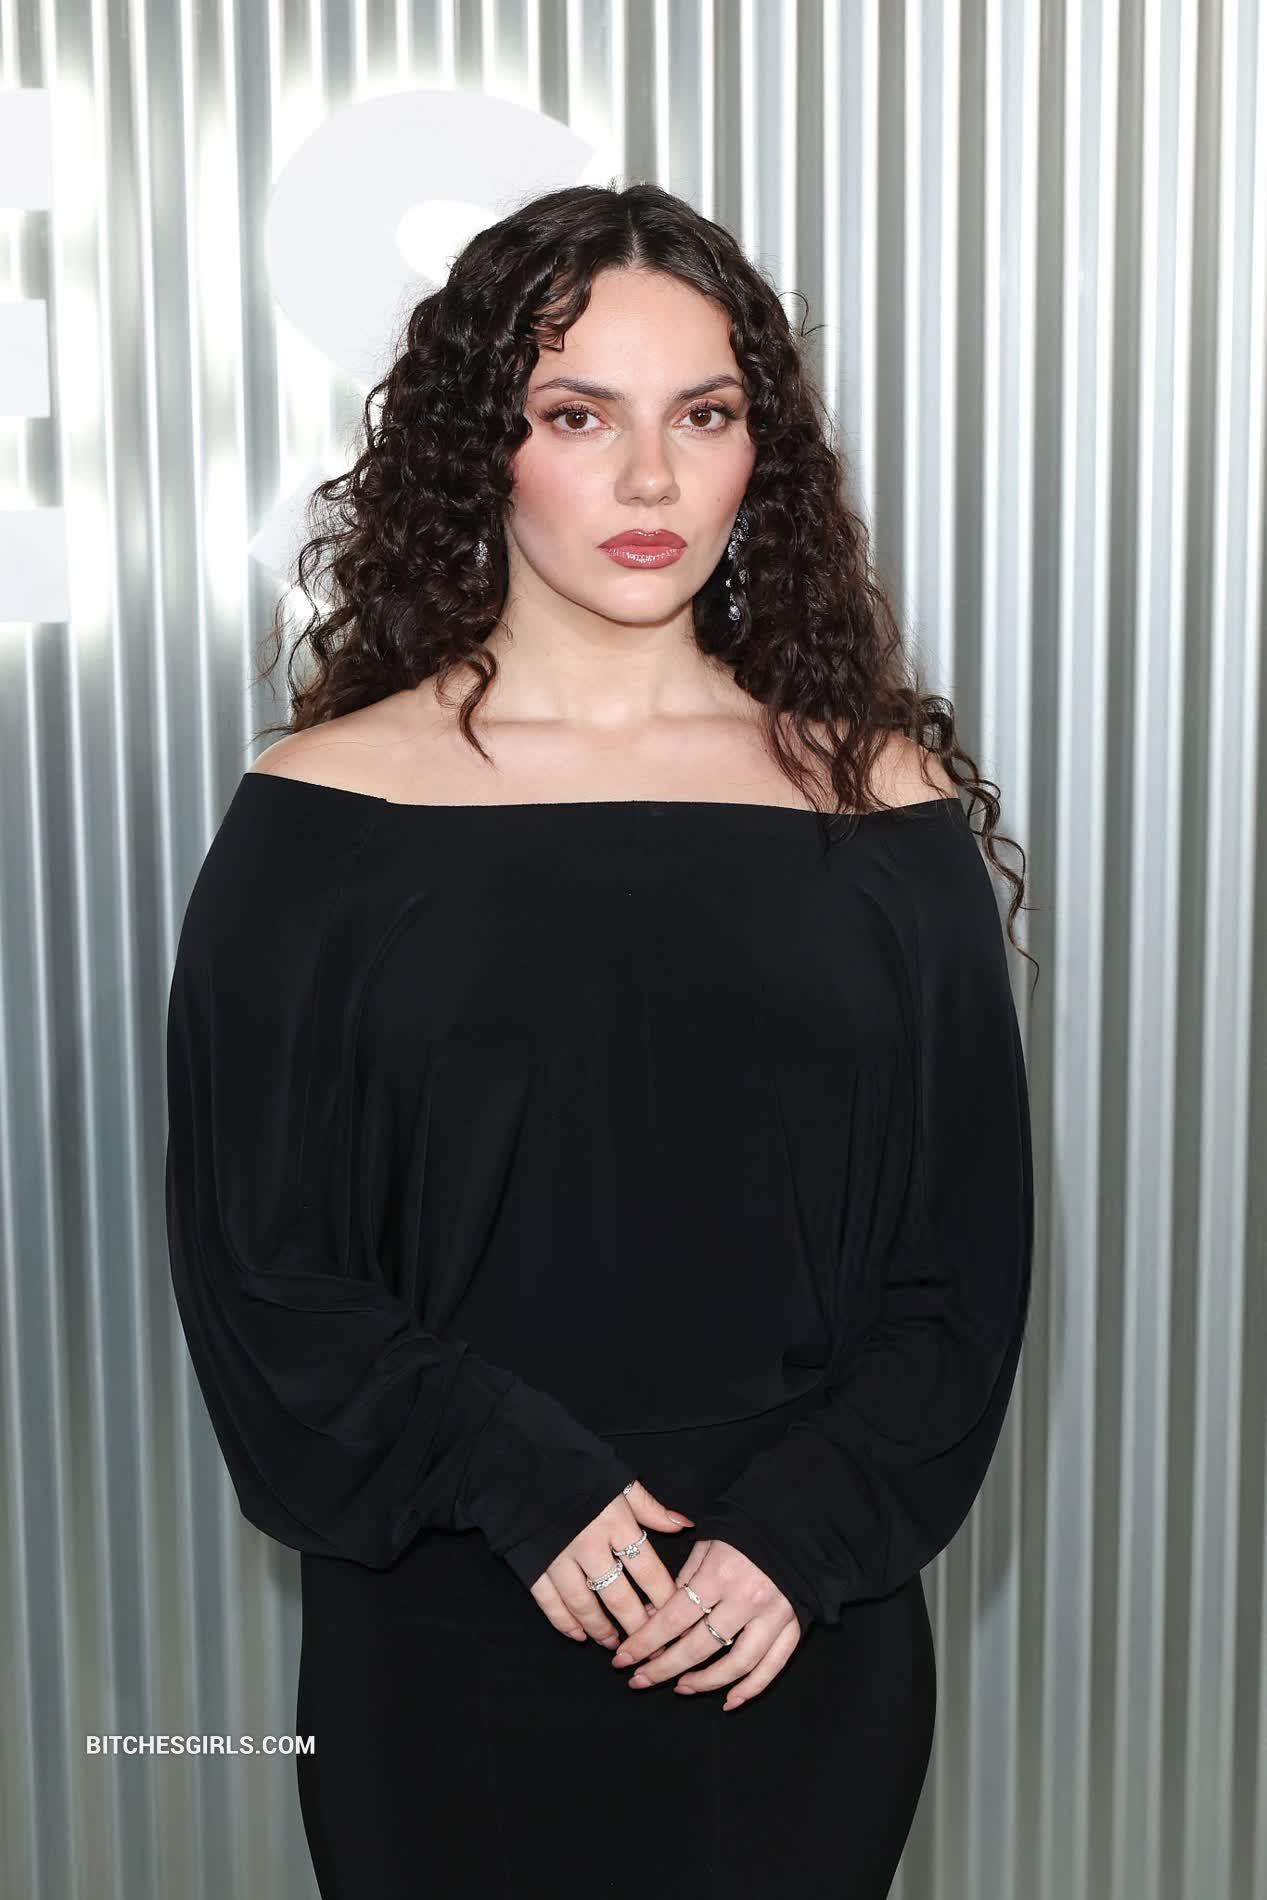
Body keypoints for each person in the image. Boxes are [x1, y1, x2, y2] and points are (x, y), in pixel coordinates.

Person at [164, 181, 1035, 1899]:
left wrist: (800, 1537)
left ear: (759, 453)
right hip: (446, 1626)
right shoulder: (326, 810)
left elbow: (964, 1263)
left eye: (702, 416)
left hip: (789, 1633)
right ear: (482, 448)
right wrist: (514, 1477)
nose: (651, 481)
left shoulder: (882, 805)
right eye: (580, 417)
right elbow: (261, 1265)